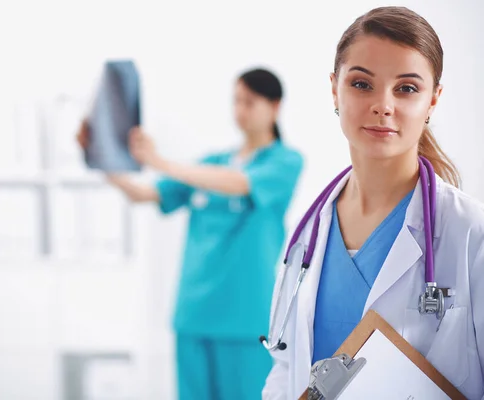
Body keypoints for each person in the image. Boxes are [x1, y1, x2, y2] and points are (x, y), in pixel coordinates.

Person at [262, 6, 484, 400]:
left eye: (407, 88)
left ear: (433, 100)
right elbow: (285, 366)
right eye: (362, 84)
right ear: (335, 89)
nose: (383, 105)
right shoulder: (308, 233)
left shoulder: (470, 232)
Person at [77, 68, 303, 400]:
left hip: (244, 317)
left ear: (275, 107)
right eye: (237, 101)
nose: (240, 110)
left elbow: (240, 184)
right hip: (194, 314)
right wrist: (96, 157)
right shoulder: (212, 162)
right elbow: (143, 194)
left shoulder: (284, 162)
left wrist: (160, 161)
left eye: (250, 102)